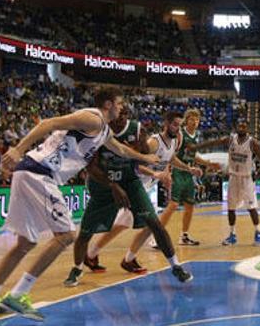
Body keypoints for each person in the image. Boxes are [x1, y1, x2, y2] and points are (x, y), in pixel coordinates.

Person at [0, 87, 161, 321]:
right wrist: (18, 148)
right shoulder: (92, 117)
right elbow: (49, 123)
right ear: (108, 104)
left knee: (26, 243)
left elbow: (122, 149)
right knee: (66, 235)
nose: (122, 107)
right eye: (119, 102)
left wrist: (147, 159)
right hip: (38, 172)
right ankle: (18, 294)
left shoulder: (103, 131)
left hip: (30, 173)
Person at [63, 108, 195, 287]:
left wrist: (171, 171)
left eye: (125, 114)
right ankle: (80, 266)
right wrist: (154, 175)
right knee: (88, 231)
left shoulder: (142, 132)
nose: (121, 117)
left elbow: (149, 159)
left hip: (132, 184)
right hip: (106, 185)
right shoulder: (100, 132)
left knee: (153, 224)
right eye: (118, 111)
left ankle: (175, 266)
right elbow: (93, 167)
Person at [120, 111, 203, 268]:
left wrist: (189, 169)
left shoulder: (174, 141)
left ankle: (101, 255)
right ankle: (127, 259)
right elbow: (137, 164)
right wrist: (155, 173)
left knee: (122, 225)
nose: (177, 128)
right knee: (150, 225)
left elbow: (171, 159)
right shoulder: (153, 143)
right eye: (174, 124)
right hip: (136, 184)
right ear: (166, 124)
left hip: (147, 185)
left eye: (179, 125)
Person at [196, 120, 260, 246]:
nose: (241, 127)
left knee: (251, 208)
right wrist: (196, 148)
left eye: (244, 126)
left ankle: (259, 232)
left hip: (247, 179)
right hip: (233, 178)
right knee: (231, 208)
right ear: (236, 127)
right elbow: (213, 142)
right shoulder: (230, 139)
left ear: (248, 128)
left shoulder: (253, 143)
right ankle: (232, 235)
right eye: (239, 125)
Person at [168, 109, 218, 246]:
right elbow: (170, 154)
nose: (195, 122)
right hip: (177, 171)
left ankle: (184, 236)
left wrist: (208, 163)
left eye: (197, 120)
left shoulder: (195, 136)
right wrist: (167, 172)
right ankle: (156, 236)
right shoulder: (180, 134)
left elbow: (193, 156)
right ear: (186, 120)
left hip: (188, 173)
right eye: (192, 119)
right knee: (172, 205)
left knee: (190, 206)